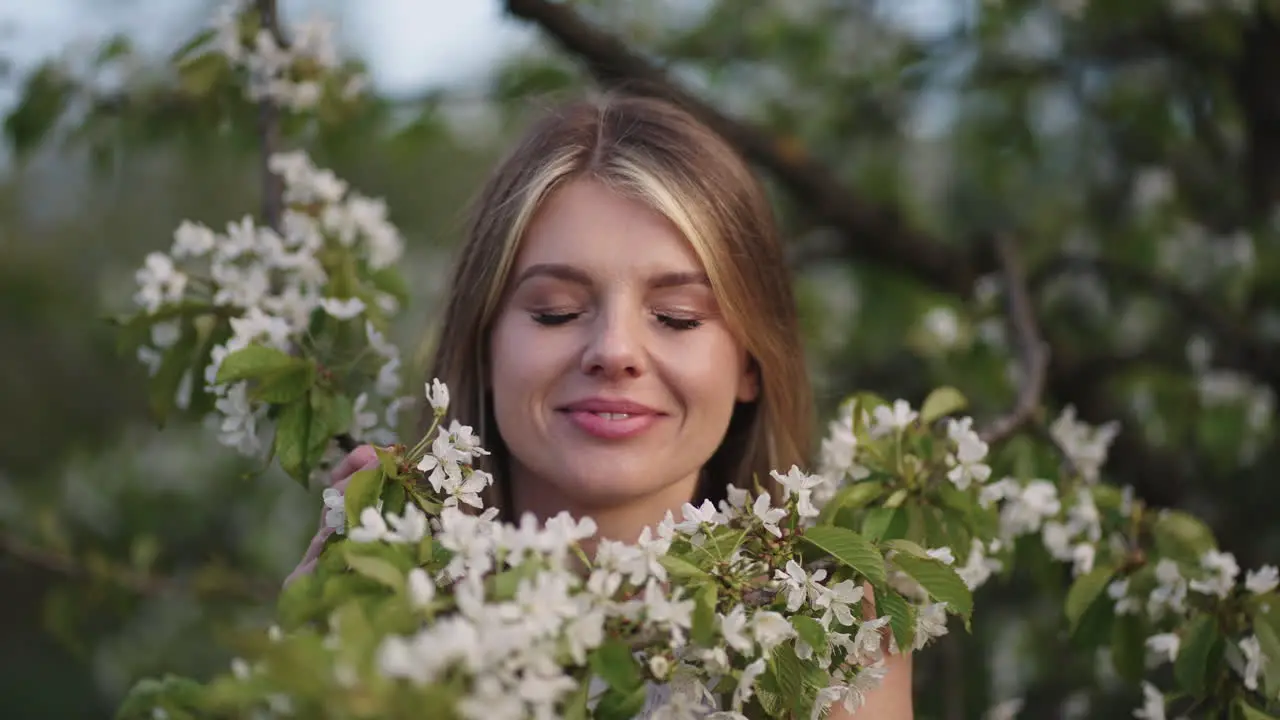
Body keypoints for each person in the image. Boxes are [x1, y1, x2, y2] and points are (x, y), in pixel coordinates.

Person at [287, 93, 914, 719]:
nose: (614, 352)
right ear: (485, 346)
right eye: (555, 311)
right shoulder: (394, 617)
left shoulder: (824, 628)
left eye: (678, 317)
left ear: (750, 362)